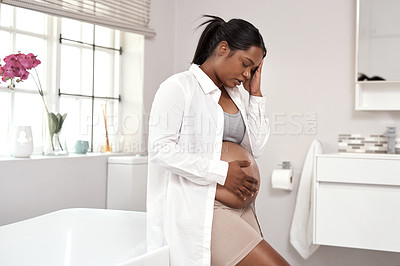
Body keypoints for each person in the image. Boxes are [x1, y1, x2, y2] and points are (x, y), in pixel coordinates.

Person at [147, 15, 289, 266]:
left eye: (253, 69)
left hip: (242, 209)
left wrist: (255, 94)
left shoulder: (239, 95)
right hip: (205, 207)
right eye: (245, 64)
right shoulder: (179, 87)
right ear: (223, 48)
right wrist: (223, 172)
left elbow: (257, 146)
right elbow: (161, 150)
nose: (247, 74)